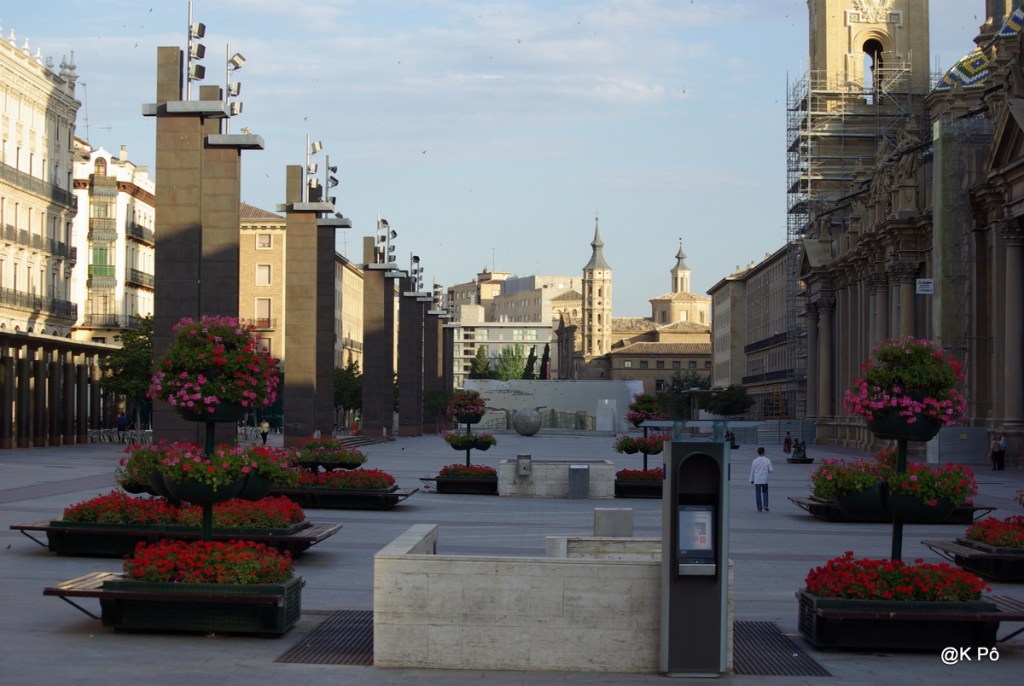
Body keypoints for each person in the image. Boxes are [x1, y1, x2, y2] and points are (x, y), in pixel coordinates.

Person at [749, 447, 774, 512]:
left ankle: (759, 508)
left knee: (758, 494)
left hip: (757, 480)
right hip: (765, 479)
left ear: (758, 452)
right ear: (764, 452)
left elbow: (752, 471)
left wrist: (751, 480)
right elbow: (771, 470)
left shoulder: (754, 461)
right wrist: (766, 470)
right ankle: (765, 505)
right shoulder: (767, 460)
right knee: (765, 492)